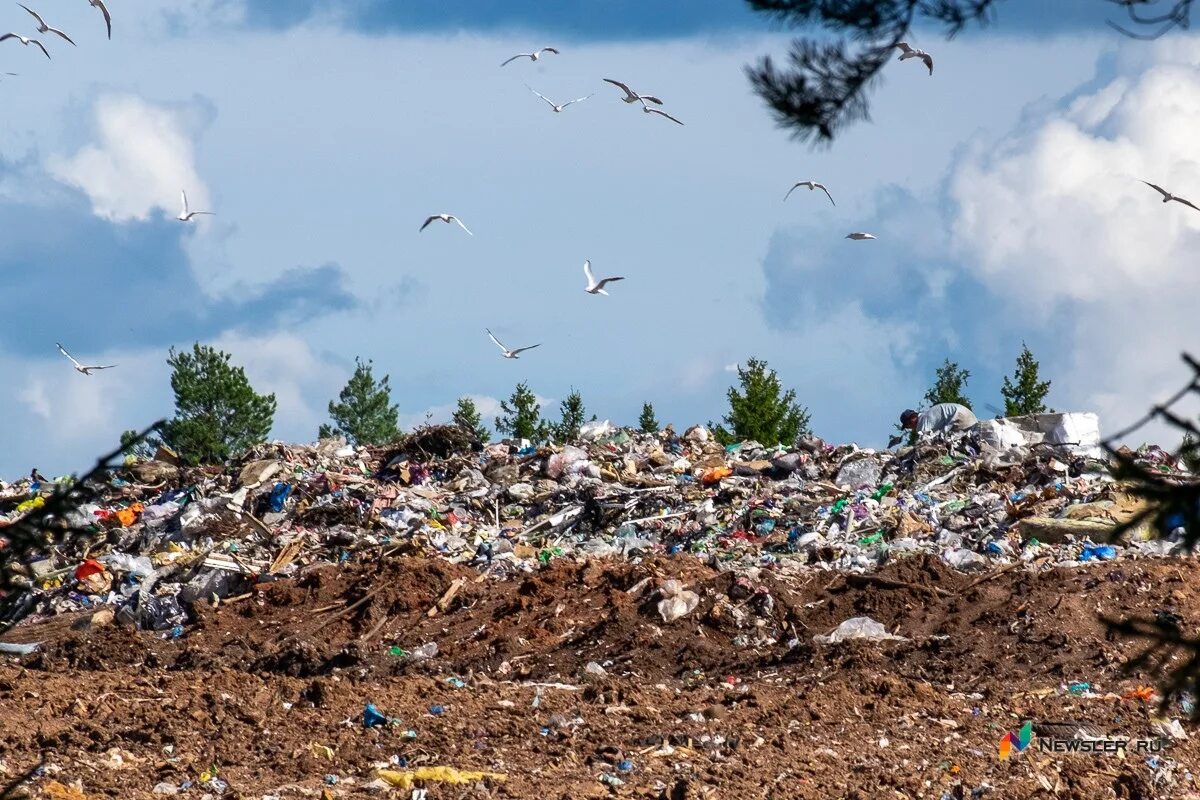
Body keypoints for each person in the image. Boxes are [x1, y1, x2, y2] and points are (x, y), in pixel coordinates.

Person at [900, 403, 978, 435]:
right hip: (970, 417)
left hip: (959, 417)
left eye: (907, 425)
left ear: (912, 418)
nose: (909, 427)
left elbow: (923, 441)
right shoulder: (927, 415)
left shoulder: (922, 421)